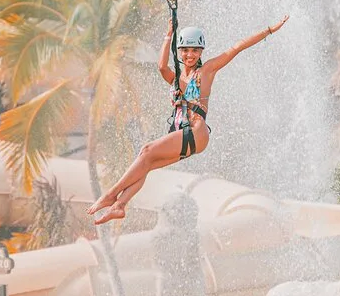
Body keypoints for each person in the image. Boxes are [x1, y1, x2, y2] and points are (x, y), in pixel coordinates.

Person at [86, 14, 290, 225]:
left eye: (194, 50)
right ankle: (120, 205)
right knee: (146, 163)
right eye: (185, 50)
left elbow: (237, 48)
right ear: (180, 51)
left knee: (146, 151)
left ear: (201, 52)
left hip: (196, 132)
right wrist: (169, 34)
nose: (190, 55)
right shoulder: (176, 79)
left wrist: (269, 30)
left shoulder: (206, 71)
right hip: (184, 135)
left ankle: (111, 194)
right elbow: (162, 67)